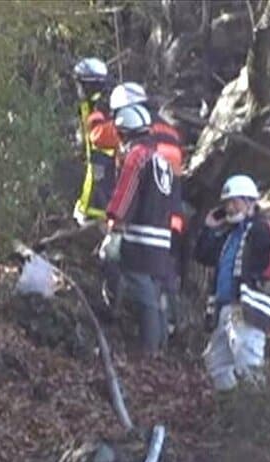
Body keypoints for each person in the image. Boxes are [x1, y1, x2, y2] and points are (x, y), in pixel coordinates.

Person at [109, 82, 188, 336]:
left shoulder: (140, 147)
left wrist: (116, 223)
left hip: (144, 220)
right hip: (168, 217)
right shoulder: (169, 131)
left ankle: (142, 337)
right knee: (162, 279)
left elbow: (132, 185)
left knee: (140, 281)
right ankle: (171, 331)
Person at [195, 175, 270, 391]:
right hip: (223, 307)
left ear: (249, 201)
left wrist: (258, 283)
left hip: (244, 307)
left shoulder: (261, 228)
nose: (229, 208)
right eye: (227, 203)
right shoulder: (229, 235)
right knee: (216, 362)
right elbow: (202, 254)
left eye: (235, 202)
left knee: (248, 361)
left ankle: (257, 414)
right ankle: (231, 410)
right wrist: (209, 228)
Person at [71, 57, 119, 226]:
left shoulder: (105, 105)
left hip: (104, 202)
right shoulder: (87, 105)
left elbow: (99, 140)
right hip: (95, 199)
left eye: (80, 84)